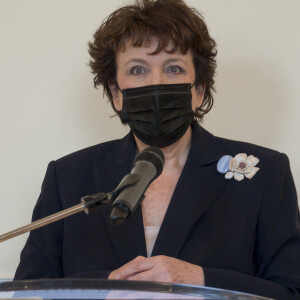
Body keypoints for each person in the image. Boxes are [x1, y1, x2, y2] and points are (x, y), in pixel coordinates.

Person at [14, 0, 300, 299]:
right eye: (138, 69)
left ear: (199, 89)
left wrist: (199, 278)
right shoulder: (69, 176)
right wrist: (104, 287)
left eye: (173, 68)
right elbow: (29, 290)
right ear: (116, 93)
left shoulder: (264, 173)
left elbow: (291, 290)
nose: (156, 83)